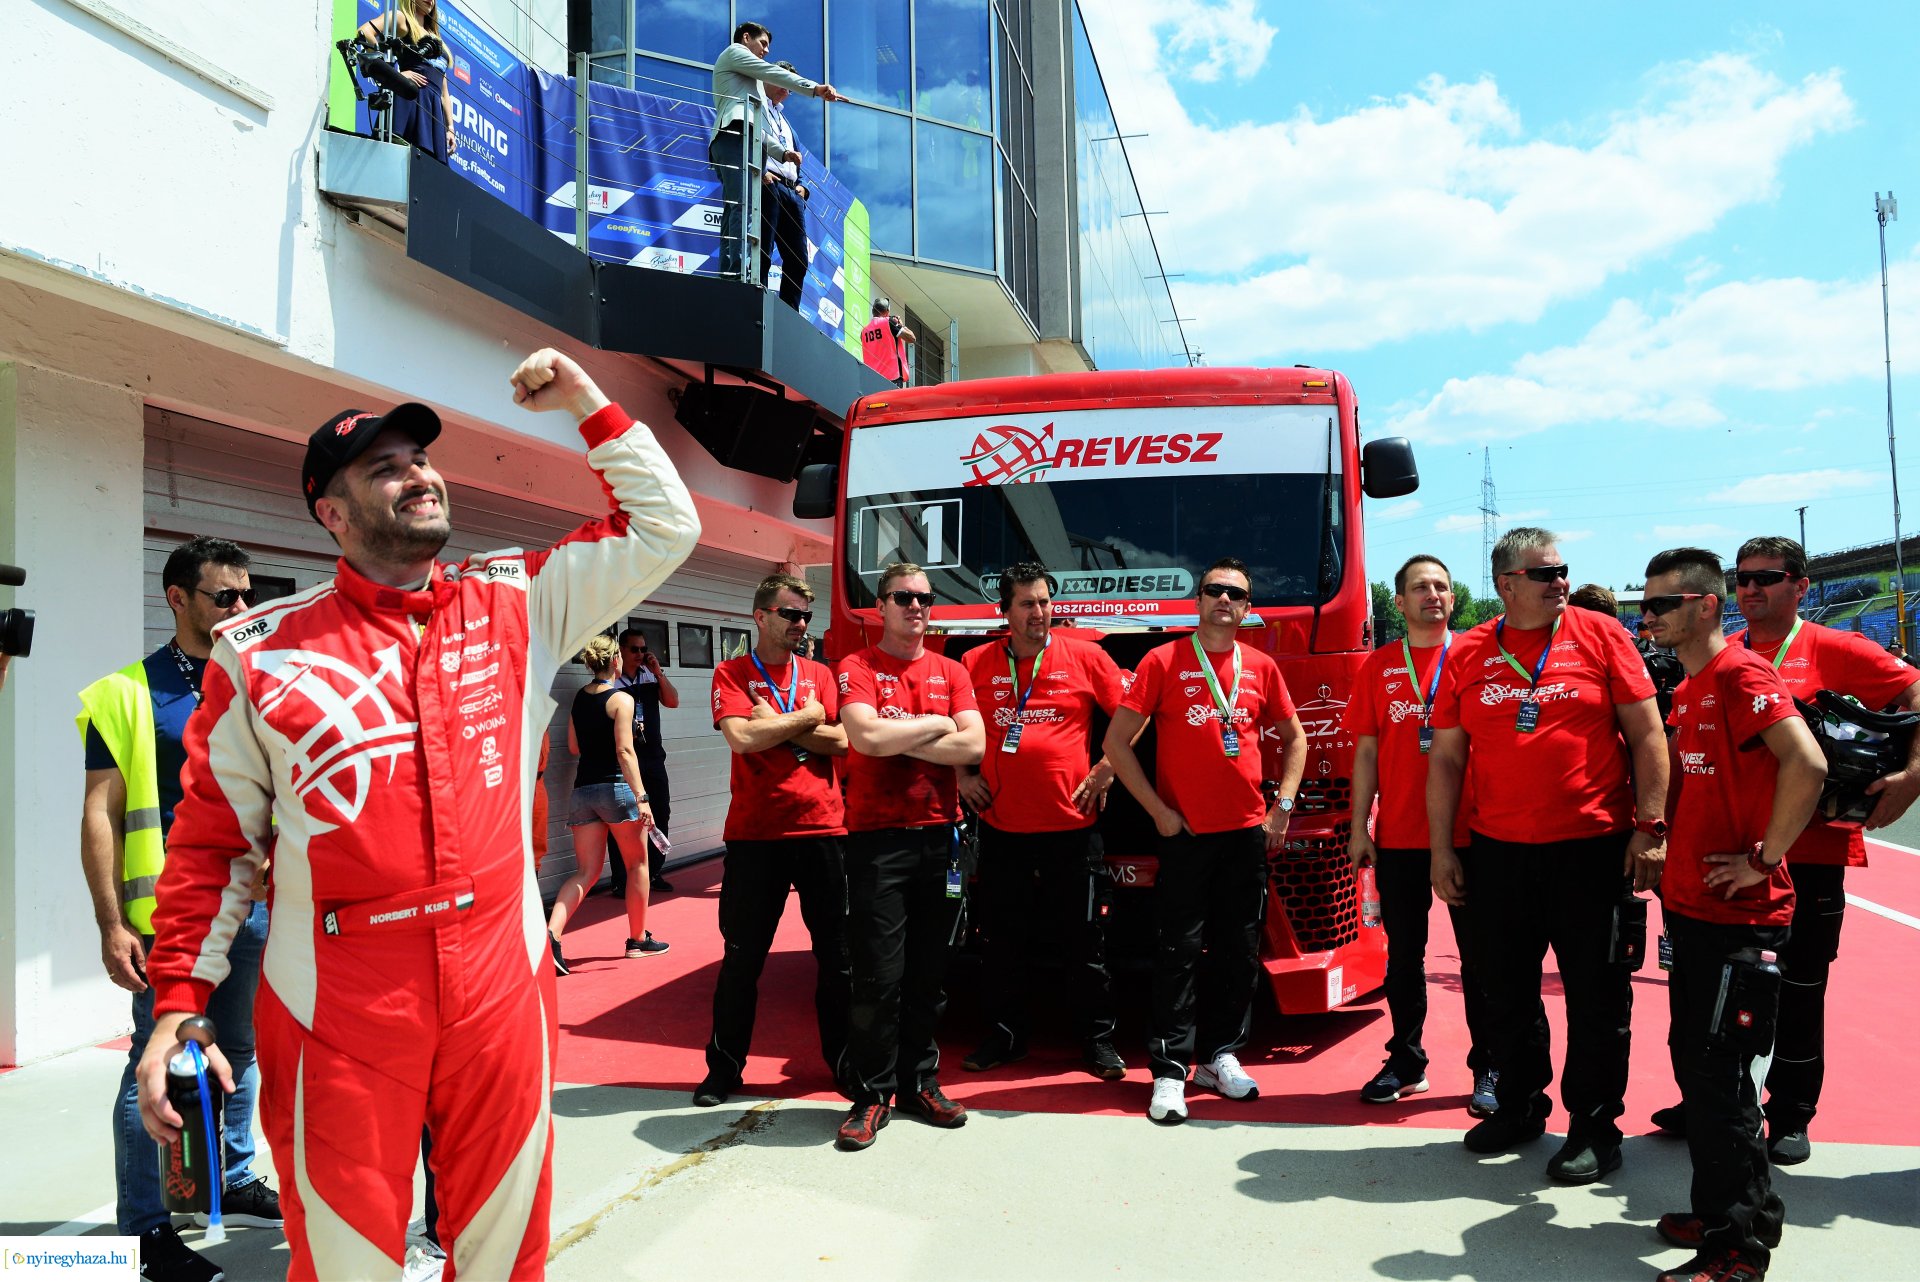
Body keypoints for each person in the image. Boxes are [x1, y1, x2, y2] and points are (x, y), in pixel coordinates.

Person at [136, 349, 701, 1280]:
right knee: (348, 1265)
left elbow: (664, 525)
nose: (420, 475)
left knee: (504, 1258)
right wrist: (178, 1006)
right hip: (338, 1007)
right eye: (386, 467)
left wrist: (588, 403)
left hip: (499, 989)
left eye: (423, 460)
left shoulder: (519, 598)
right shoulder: (260, 652)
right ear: (332, 511)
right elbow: (214, 846)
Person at [1648, 536, 1920, 1166]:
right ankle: (1711, 1103)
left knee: (1799, 988)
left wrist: (1910, 776)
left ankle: (1792, 1112)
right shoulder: (1717, 654)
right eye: (1742, 579)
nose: (1751, 589)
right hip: (1728, 857)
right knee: (1714, 995)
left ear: (1801, 585)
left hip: (1812, 853)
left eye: (1767, 578)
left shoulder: (1838, 647)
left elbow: (1912, 696)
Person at [1427, 526, 1668, 1184]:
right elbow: (1447, 758)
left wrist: (1651, 826)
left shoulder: (1600, 634)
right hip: (1499, 852)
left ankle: (1594, 1128)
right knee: (1503, 990)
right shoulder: (1472, 651)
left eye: (1563, 570)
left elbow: (1648, 734)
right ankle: (1521, 1106)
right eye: (1544, 573)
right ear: (1506, 584)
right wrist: (1443, 846)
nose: (1559, 581)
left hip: (1592, 850)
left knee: (1596, 997)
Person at [78, 537, 281, 1282]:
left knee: (244, 1051)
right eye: (224, 596)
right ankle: (142, 1233)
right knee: (152, 1065)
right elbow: (100, 813)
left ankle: (228, 1176)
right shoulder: (125, 692)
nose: (240, 608)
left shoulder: (257, 679)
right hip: (168, 917)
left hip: (254, 904)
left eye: (246, 595)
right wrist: (110, 923)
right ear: (178, 599)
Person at [1638, 547, 1825, 1282]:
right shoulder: (1689, 687)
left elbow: (1806, 763)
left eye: (1661, 605)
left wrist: (1765, 857)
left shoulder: (1742, 674)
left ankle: (1739, 1249)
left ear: (1705, 605)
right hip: (1694, 911)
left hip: (1740, 918)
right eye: (1645, 605)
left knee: (1719, 1082)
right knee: (1702, 1071)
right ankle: (1725, 1211)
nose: (1647, 617)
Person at [1104, 558, 1307, 1125]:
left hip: (1246, 833)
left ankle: (1221, 1056)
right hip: (1186, 836)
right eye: (1214, 590)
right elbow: (1118, 744)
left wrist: (1282, 808)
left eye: (1235, 593)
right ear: (1199, 600)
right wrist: (1160, 814)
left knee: (1239, 952)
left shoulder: (1261, 666)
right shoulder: (1163, 659)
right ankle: (1170, 1072)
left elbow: (1297, 740)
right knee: (1177, 951)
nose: (1224, 600)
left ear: (1247, 609)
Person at [833, 562, 985, 1151]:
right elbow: (864, 738)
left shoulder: (952, 669)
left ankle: (921, 1082)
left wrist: (907, 732)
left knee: (929, 976)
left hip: (939, 840)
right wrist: (937, 725)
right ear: (881, 605)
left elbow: (972, 745)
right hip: (877, 842)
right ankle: (871, 1096)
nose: (916, 607)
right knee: (877, 976)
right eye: (903, 597)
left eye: (924, 598)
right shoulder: (857, 667)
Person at [958, 563, 1128, 1081]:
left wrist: (1106, 767)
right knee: (1002, 942)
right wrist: (962, 776)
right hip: (1002, 828)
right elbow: (950, 724)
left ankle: (1097, 1042)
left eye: (1045, 601)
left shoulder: (1087, 655)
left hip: (1072, 829)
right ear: (1003, 612)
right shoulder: (972, 662)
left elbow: (1134, 716)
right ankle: (1006, 1037)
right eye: (1028, 604)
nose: (1040, 613)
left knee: (1084, 942)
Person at [1344, 554, 1497, 1114]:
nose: (1432, 594)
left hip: (1472, 834)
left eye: (1442, 586)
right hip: (1400, 836)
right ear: (1400, 601)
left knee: (1480, 959)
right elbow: (1364, 751)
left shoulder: (1479, 655)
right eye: (1419, 587)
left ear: (1454, 599)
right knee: (1403, 957)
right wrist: (1360, 826)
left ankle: (1490, 1066)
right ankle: (1406, 1061)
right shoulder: (1379, 665)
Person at [695, 573, 851, 1107]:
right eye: (790, 614)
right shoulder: (731, 672)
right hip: (755, 837)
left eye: (806, 615)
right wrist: (807, 720)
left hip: (823, 829)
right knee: (742, 961)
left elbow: (843, 740)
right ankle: (724, 1070)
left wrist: (784, 720)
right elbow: (742, 737)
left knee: (837, 960)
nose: (800, 624)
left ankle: (845, 1065)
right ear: (760, 616)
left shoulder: (820, 674)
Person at [547, 635, 666, 973]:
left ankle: (552, 935)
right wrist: (642, 797)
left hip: (583, 790)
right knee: (637, 866)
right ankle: (638, 939)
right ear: (616, 660)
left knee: (586, 872)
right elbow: (625, 752)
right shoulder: (622, 700)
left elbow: (573, 746)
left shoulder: (578, 700)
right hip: (617, 790)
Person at [709, 22, 843, 280]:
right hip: (734, 136)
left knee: (738, 207)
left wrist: (782, 153)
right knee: (740, 206)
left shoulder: (752, 82)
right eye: (763, 43)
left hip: (746, 139)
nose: (766, 51)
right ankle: (734, 271)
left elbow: (756, 126)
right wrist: (814, 89)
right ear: (746, 38)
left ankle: (731, 269)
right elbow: (773, 74)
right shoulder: (735, 52)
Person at [612, 626, 680, 894]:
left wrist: (658, 672)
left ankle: (653, 873)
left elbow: (673, 702)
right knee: (625, 821)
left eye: (643, 649)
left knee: (661, 813)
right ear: (621, 651)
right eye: (634, 649)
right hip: (625, 762)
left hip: (653, 759)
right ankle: (622, 880)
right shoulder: (614, 680)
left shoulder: (650, 676)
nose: (640, 654)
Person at [356, 0, 456, 162]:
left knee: (427, 170)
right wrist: (393, 74)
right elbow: (364, 32)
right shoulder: (402, 19)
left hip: (432, 112)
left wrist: (450, 127)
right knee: (395, 159)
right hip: (409, 99)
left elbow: (444, 93)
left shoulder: (437, 40)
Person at [760, 68, 812, 311]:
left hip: (792, 193)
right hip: (769, 185)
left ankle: (788, 312)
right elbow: (750, 138)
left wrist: (802, 187)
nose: (786, 89)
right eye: (782, 81)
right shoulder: (756, 106)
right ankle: (756, 298)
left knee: (799, 259)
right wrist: (760, 171)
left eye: (790, 87)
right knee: (763, 249)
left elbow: (798, 163)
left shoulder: (788, 124)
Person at [860, 298, 915, 388]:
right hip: (892, 378)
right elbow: (912, 338)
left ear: (873, 311)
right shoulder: (889, 322)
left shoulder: (864, 331)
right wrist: (901, 325)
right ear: (887, 311)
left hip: (872, 381)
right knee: (893, 402)